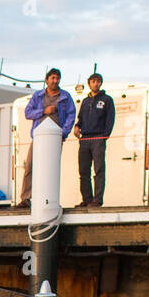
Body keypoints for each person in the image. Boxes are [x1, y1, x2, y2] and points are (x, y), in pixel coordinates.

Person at [20, 68, 75, 206]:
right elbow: (28, 113)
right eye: (52, 78)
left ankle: (48, 199)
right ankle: (26, 198)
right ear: (47, 80)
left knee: (51, 168)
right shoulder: (38, 96)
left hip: (56, 137)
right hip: (38, 137)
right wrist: (44, 111)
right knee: (30, 166)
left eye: (57, 78)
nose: (55, 81)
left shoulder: (65, 97)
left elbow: (71, 115)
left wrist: (64, 133)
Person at [74, 72, 115, 206]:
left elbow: (110, 119)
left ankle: (97, 199)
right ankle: (86, 199)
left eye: (98, 81)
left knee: (99, 169)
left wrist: (105, 135)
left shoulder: (107, 100)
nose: (95, 84)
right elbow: (80, 118)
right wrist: (77, 127)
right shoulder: (85, 101)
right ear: (89, 83)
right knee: (83, 170)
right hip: (85, 138)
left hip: (98, 137)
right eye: (93, 81)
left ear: (101, 83)